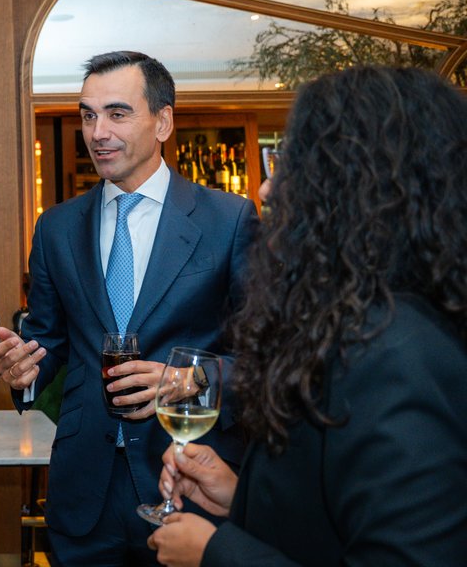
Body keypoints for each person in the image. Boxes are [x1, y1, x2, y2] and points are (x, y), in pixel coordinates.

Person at [147, 65, 467, 566]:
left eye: (292, 165)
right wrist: (239, 498)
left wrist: (214, 552)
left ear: (359, 187)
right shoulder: (361, 324)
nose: (268, 191)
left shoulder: (398, 357)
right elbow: (337, 516)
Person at [0, 51, 258, 565]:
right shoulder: (56, 227)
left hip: (190, 481)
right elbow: (48, 341)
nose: (98, 133)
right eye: (88, 115)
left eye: (117, 114)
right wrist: (23, 369)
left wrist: (192, 379)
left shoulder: (228, 220)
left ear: (163, 122)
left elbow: (269, 359)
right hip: (83, 487)